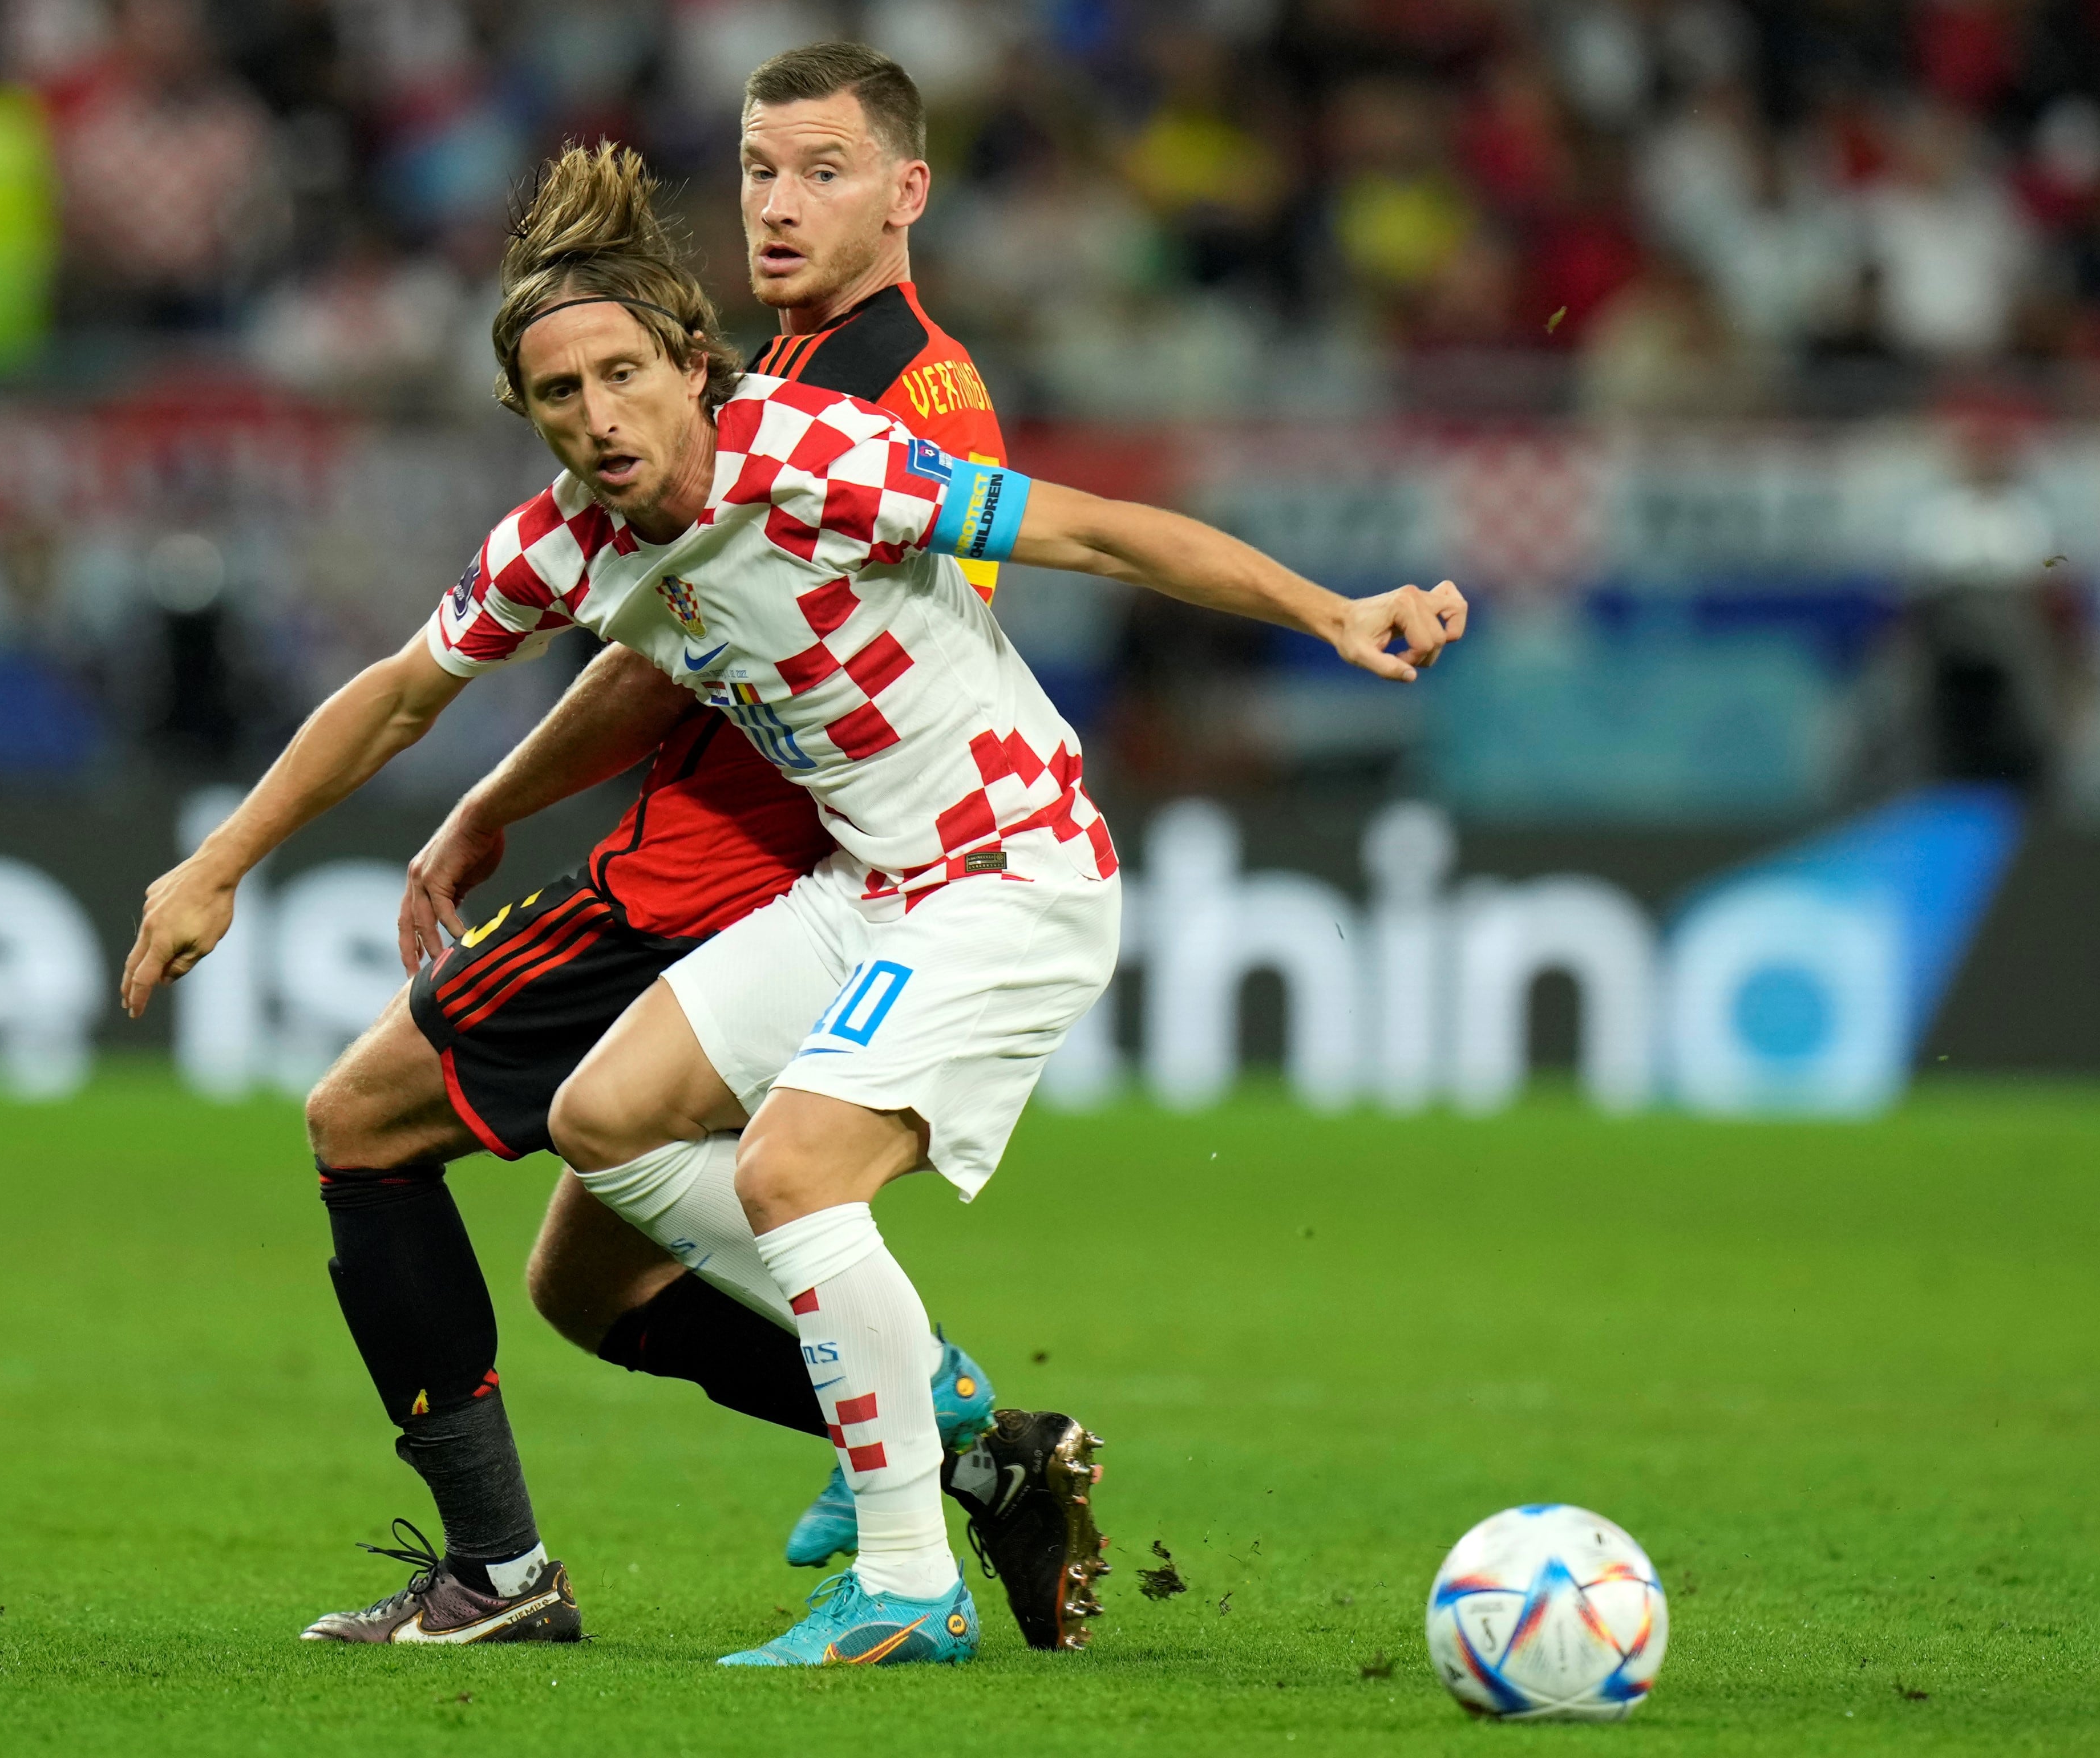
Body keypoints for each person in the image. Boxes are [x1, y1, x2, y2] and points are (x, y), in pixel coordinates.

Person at [120, 45, 1092, 1651]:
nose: (777, 203)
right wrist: (498, 796)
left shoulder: (883, 396)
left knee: (362, 1120)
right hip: (740, 853)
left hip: (740, 863)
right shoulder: (775, 363)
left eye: (823, 171)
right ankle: (975, 1459)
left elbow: (783, 655)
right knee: (596, 1286)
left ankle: (520, 1570)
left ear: (907, 190)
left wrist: (493, 798)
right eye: (760, 168)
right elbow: (652, 622)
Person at [450, 142, 1460, 1666]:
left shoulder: (839, 447)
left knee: (793, 1175)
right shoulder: (593, 533)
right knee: (602, 1121)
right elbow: (437, 684)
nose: (595, 414)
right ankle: (929, 1390)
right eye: (560, 392)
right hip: (868, 882)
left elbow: (1099, 530)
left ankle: (909, 1574)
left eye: (817, 169)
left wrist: (1329, 607)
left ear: (685, 364)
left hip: (1005, 872)